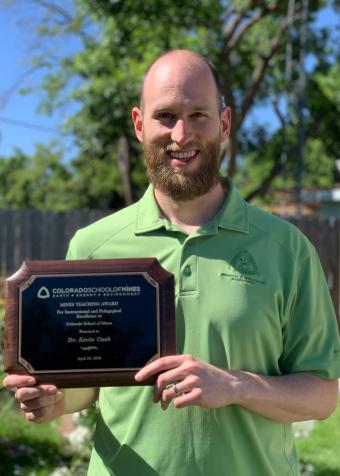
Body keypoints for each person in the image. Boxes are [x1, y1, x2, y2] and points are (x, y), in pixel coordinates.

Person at [4, 49, 340, 476]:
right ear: (140, 125)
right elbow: (86, 382)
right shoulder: (92, 246)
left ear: (224, 124)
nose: (181, 135)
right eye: (165, 116)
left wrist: (235, 385)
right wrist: (54, 399)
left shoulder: (287, 249)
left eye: (198, 115)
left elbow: (322, 395)